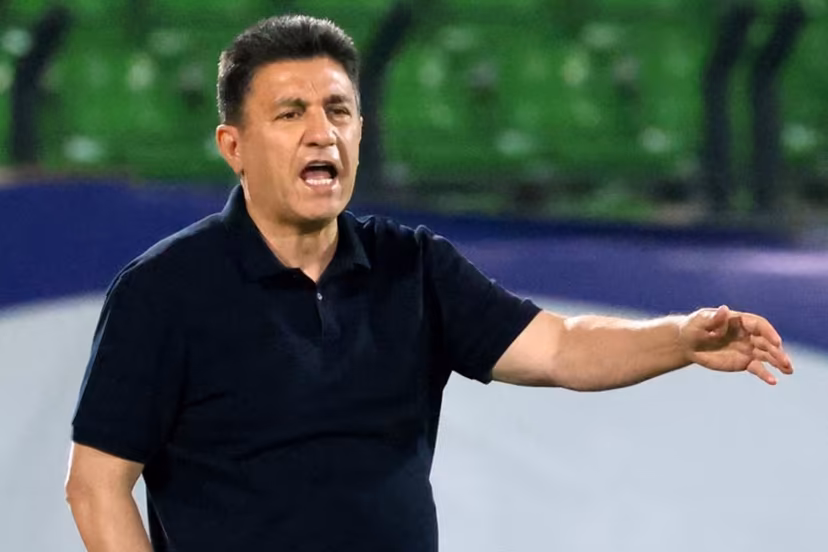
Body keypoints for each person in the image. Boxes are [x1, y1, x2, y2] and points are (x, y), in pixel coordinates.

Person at [65, 14, 793, 552]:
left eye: (339, 111)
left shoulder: (412, 267)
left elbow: (562, 347)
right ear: (234, 146)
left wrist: (679, 337)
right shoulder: (163, 291)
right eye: (291, 114)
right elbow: (96, 484)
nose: (323, 133)